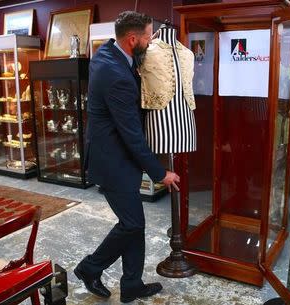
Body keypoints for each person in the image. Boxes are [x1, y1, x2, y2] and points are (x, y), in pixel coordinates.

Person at [74, 11, 180, 303]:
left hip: (116, 157)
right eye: (147, 36)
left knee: (135, 223)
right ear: (132, 39)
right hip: (113, 162)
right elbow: (131, 135)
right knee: (132, 224)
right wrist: (161, 173)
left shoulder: (108, 52)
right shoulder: (116, 75)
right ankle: (89, 268)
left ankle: (131, 284)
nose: (151, 40)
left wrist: (149, 50)